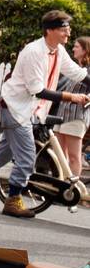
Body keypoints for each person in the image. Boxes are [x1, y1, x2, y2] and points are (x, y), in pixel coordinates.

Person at [0, 11, 90, 217]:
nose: (68, 34)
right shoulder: (33, 51)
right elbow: (37, 89)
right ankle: (13, 201)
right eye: (63, 29)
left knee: (5, 152)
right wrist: (72, 97)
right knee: (26, 156)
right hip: (15, 108)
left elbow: (79, 74)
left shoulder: (58, 51)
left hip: (29, 110)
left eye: (68, 29)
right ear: (50, 31)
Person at [53, 36, 90, 179]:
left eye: (77, 46)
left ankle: (71, 188)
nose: (73, 48)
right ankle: (60, 184)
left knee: (74, 156)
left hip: (77, 115)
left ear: (86, 50)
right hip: (61, 115)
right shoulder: (75, 69)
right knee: (59, 155)